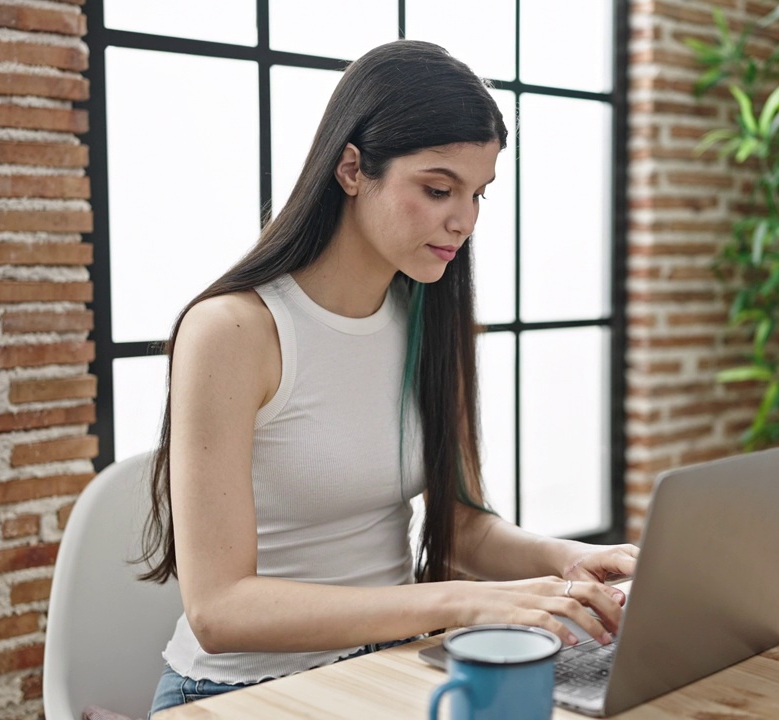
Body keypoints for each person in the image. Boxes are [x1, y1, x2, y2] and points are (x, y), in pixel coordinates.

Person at [141, 39, 639, 715]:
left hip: (391, 672)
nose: (462, 221)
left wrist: (567, 561)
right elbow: (220, 609)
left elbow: (460, 524)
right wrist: (468, 600)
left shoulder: (432, 318)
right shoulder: (232, 332)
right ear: (352, 168)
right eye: (437, 189)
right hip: (240, 691)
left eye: (476, 194)